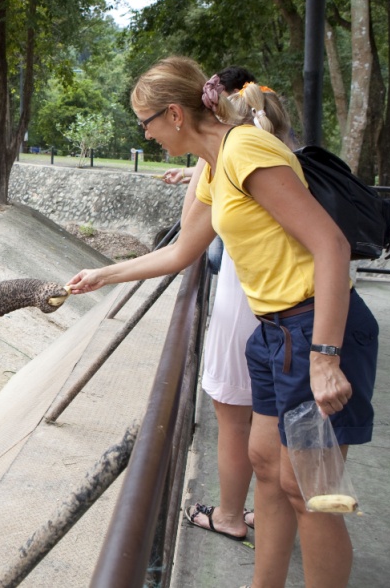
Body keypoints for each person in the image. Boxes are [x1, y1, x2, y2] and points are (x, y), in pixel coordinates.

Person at [68, 56, 378, 588]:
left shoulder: (246, 150)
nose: (146, 135)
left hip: (316, 329)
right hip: (274, 332)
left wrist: (325, 357)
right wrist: (104, 274)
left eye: (145, 124)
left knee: (311, 493)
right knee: (267, 469)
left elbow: (331, 244)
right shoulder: (214, 165)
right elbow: (182, 251)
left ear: (174, 114)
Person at [173, 67, 298, 542]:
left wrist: (201, 163)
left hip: (252, 305)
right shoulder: (278, 154)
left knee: (232, 416)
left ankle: (229, 513)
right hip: (285, 315)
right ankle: (269, 513)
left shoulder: (233, 156)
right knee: (273, 434)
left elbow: (187, 233)